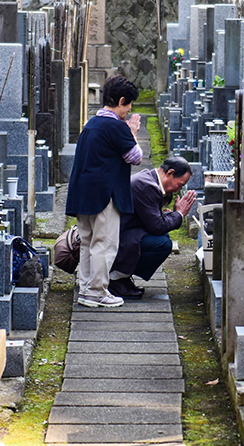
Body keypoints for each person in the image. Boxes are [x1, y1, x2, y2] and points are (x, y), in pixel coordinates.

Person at [65, 76, 144, 308]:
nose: (129, 110)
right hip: (105, 195)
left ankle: (86, 289)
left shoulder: (91, 124)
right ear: (121, 100)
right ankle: (98, 291)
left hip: (83, 192)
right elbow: (135, 157)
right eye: (129, 105)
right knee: (105, 244)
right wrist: (132, 132)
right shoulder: (115, 126)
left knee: (88, 242)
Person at [108, 155, 197, 299]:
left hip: (126, 231)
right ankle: (115, 276)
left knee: (163, 238)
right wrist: (179, 214)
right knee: (162, 244)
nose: (177, 190)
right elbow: (157, 226)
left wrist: (173, 215)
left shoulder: (148, 177)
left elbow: (152, 220)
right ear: (170, 173)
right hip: (118, 236)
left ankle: (121, 275)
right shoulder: (146, 186)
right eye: (179, 185)